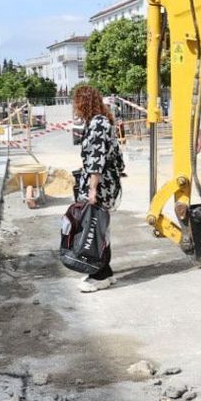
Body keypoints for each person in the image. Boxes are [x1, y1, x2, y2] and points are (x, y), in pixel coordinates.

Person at [72, 84, 123, 292]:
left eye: (77, 103)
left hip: (100, 185)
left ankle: (99, 276)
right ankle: (105, 272)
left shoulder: (97, 123)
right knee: (100, 228)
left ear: (83, 103)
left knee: (94, 229)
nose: (75, 107)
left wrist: (92, 190)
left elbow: (96, 160)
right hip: (104, 182)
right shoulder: (98, 121)